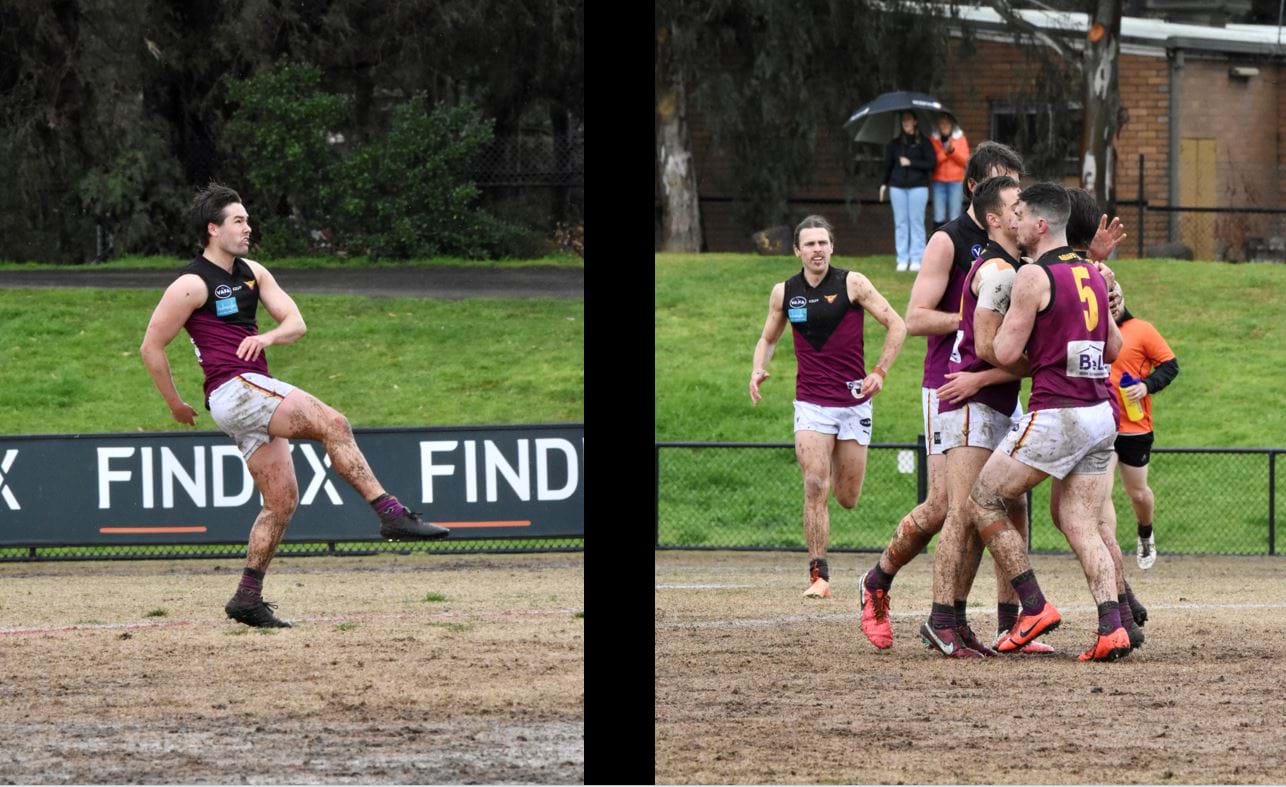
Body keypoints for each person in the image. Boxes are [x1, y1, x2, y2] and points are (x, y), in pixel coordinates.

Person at [139, 183, 449, 629]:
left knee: (281, 502)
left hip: (251, 390)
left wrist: (267, 337)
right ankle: (391, 514)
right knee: (334, 423)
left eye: (247, 219)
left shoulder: (253, 272)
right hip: (235, 389)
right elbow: (152, 346)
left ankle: (247, 597)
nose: (248, 227)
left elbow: (296, 323)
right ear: (213, 229)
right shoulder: (191, 283)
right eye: (238, 220)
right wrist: (174, 404)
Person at [857, 141, 1025, 649]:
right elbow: (915, 318)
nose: (1016, 202)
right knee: (945, 508)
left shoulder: (1017, 243)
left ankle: (1008, 623)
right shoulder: (948, 240)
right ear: (976, 188)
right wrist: (978, 322)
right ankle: (883, 582)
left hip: (995, 381)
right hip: (949, 383)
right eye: (1004, 186)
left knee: (1003, 502)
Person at [961, 182, 1132, 663]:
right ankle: (1111, 625)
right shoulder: (1094, 273)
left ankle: (1033, 605)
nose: (1013, 223)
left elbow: (1007, 352)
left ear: (1041, 225)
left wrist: (984, 324)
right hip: (1100, 414)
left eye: (1021, 215)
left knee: (984, 500)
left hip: (1059, 412)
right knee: (1080, 521)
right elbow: (1116, 349)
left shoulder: (1032, 278)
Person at [919, 175, 1047, 657]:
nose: (1023, 213)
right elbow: (990, 350)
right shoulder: (998, 271)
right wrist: (1039, 365)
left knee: (973, 515)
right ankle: (940, 620)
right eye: (1016, 206)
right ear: (993, 218)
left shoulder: (1014, 267)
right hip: (968, 404)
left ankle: (955, 619)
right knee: (959, 515)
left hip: (983, 403)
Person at [750, 215, 907, 598]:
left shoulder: (853, 283)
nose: (817, 249)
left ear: (831, 247)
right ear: (797, 250)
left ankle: (838, 465)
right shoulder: (784, 293)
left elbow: (897, 324)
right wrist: (758, 368)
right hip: (811, 404)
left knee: (846, 498)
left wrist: (880, 372)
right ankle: (818, 576)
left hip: (854, 402)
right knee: (815, 482)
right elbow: (768, 338)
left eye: (823, 242)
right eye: (809, 244)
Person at [1106, 289, 1177, 570]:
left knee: (1137, 493)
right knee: (1102, 492)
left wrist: (1146, 385)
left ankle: (1145, 530)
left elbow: (1170, 366)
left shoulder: (1142, 330)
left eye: (1115, 300)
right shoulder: (1090, 330)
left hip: (1134, 427)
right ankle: (1108, 554)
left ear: (1123, 299)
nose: (1111, 305)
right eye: (1106, 300)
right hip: (1102, 424)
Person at [879, 112, 936, 272]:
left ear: (915, 121)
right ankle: (902, 259)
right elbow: (888, 166)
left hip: (918, 187)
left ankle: (917, 259)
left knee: (916, 223)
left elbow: (931, 163)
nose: (906, 122)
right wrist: (884, 184)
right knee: (901, 223)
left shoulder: (924, 143)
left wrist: (911, 162)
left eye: (908, 119)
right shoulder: (895, 144)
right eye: (903, 120)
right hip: (897, 187)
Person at [929, 114, 969, 228]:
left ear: (952, 125)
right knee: (938, 216)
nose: (944, 126)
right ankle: (939, 242)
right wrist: (946, 152)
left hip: (956, 180)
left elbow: (965, 161)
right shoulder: (934, 139)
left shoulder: (960, 138)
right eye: (942, 123)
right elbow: (933, 161)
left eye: (947, 123)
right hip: (938, 180)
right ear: (938, 126)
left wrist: (952, 152)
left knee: (955, 216)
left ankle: (955, 244)